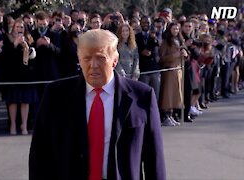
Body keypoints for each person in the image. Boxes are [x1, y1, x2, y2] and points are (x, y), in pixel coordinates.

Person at [29, 29, 166, 180]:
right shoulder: (55, 95)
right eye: (87, 58)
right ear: (79, 59)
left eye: (101, 58)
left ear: (115, 60)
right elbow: (39, 154)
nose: (93, 65)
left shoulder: (142, 96)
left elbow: (154, 158)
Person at [2, 18, 37, 135]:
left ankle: (24, 125)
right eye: (17, 27)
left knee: (25, 101)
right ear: (13, 28)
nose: (19, 29)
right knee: (13, 101)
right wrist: (15, 44)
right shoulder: (8, 39)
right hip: (12, 74)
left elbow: (33, 57)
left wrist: (27, 50)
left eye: (21, 27)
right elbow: (6, 57)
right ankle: (12, 125)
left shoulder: (29, 39)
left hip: (26, 74)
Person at [159, 22, 189, 126]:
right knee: (168, 94)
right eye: (174, 29)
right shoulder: (166, 42)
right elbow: (162, 58)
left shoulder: (180, 40)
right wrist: (174, 55)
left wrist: (185, 55)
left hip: (179, 70)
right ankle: (165, 115)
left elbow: (185, 54)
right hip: (169, 71)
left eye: (177, 29)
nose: (175, 31)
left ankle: (171, 114)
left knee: (176, 94)